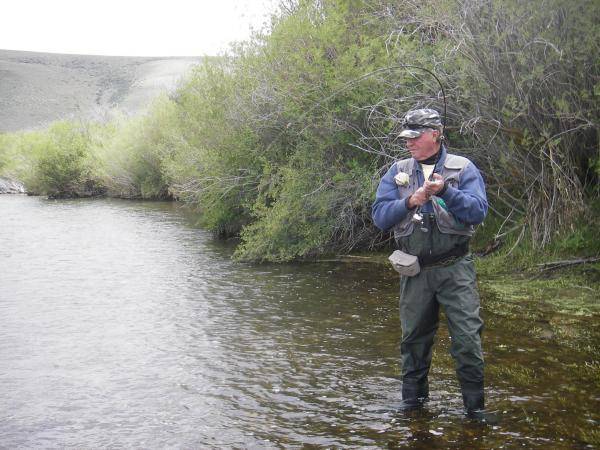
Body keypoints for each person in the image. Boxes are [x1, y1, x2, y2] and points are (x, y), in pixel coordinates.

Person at [372, 108, 488, 418]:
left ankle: (475, 411)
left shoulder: (462, 168)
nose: (408, 143)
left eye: (414, 136)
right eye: (405, 137)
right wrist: (410, 201)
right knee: (413, 342)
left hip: (455, 268)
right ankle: (413, 407)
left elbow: (477, 211)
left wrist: (447, 192)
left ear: (435, 134)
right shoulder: (396, 171)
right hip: (415, 272)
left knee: (466, 341)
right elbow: (380, 217)